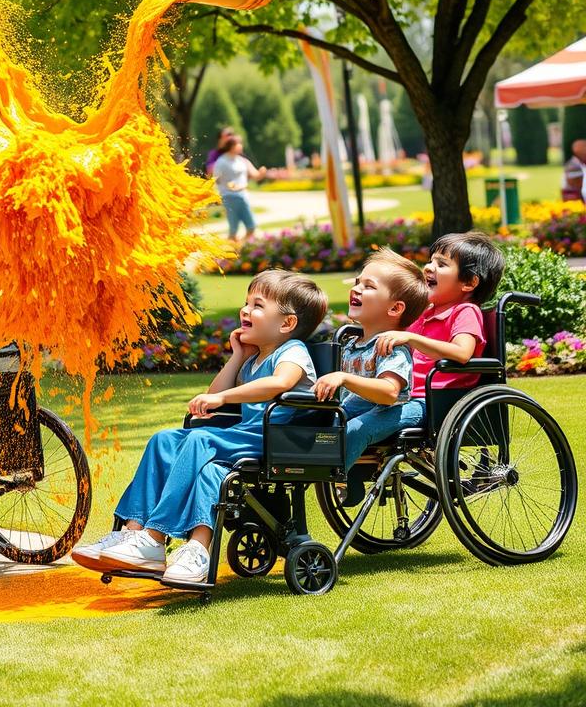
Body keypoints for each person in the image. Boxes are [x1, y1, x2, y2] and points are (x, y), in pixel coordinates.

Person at [71, 270, 328, 584]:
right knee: (163, 440)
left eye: (258, 305)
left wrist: (222, 399)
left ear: (287, 323)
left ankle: (155, 537)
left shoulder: (293, 351)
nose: (245, 310)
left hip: (276, 439)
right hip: (246, 436)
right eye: (246, 303)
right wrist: (237, 357)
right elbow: (212, 394)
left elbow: (279, 384)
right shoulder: (254, 359)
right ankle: (132, 533)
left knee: (200, 440)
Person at [336, 232, 505, 505]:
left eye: (441, 264)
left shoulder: (465, 312)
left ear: (469, 282)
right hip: (400, 393)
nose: (429, 267)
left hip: (430, 401)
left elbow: (463, 353)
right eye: (431, 261)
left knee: (358, 428)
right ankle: (353, 469)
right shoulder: (424, 313)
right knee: (335, 416)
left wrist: (413, 338)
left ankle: (341, 474)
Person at [312, 248, 429, 505]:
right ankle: (321, 467)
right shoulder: (355, 342)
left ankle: (342, 477)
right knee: (327, 421)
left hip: (403, 408)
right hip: (365, 405)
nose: (356, 289)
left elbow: (389, 393)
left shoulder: (390, 346)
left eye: (368, 286)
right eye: (357, 282)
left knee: (355, 430)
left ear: (395, 308)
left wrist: (343, 377)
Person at [211, 134, 266, 242]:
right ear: (231, 146)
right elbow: (215, 179)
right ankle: (230, 252)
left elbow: (256, 175)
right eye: (238, 144)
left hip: (242, 196)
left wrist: (262, 173)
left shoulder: (242, 160)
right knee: (234, 229)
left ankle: (238, 246)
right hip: (229, 197)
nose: (241, 146)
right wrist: (228, 186)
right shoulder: (222, 161)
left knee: (251, 227)